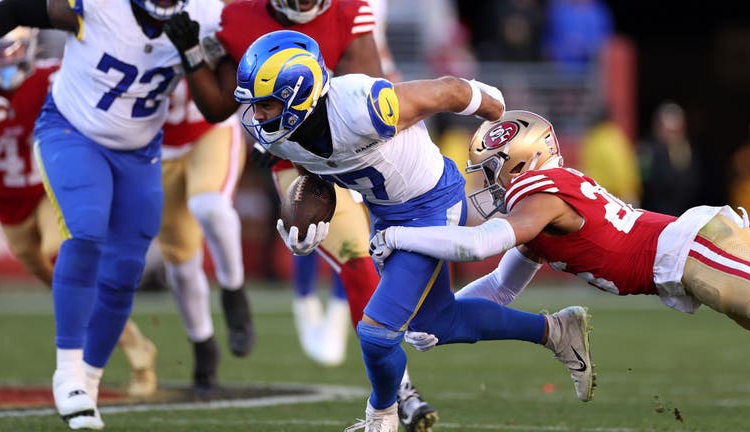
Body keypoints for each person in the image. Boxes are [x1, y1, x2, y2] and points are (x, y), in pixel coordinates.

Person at [232, 31, 595, 432]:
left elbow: (448, 91)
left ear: (299, 94)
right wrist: (310, 215)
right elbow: (317, 173)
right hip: (386, 214)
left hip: (432, 203)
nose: (258, 117)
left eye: (266, 105)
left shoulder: (362, 106)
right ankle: (556, 331)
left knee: (376, 333)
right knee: (438, 323)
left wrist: (496, 109)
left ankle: (381, 417)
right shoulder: (281, 138)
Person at [162, 3, 442, 431]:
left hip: (356, 146)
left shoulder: (349, 10)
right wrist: (192, 55)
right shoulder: (237, 16)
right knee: (355, 261)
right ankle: (400, 390)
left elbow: (370, 85)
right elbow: (219, 107)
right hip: (297, 161)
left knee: (401, 254)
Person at [0, 0, 223, 428]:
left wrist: (193, 57)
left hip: (141, 151)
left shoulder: (207, 16)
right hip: (72, 131)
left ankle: (88, 384)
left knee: (125, 270)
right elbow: (13, 10)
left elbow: (217, 107)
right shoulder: (96, 4)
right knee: (86, 231)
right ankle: (69, 371)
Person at [369, 110, 750, 356]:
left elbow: (479, 244)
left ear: (521, 160)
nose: (488, 183)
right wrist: (443, 316)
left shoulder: (539, 193)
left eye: (490, 171)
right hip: (687, 255)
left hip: (691, 249)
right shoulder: (541, 210)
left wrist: (396, 236)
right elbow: (501, 288)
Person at [0, 21, 158, 399]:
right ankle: (135, 342)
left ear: (28, 45)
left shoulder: (52, 77)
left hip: (50, 189)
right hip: (7, 205)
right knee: (55, 276)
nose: (2, 59)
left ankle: (130, 351)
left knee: (60, 252)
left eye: (9, 49)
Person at [159, 78, 253, 393]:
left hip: (209, 129)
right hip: (155, 146)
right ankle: (202, 343)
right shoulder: (117, 32)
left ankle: (233, 291)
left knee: (209, 205)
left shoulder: (208, 25)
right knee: (180, 262)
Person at [638, 101, 701, 216]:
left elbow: (692, 179)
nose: (673, 135)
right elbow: (644, 181)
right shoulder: (648, 150)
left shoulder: (686, 149)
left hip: (682, 212)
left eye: (676, 130)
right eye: (669, 130)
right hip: (656, 212)